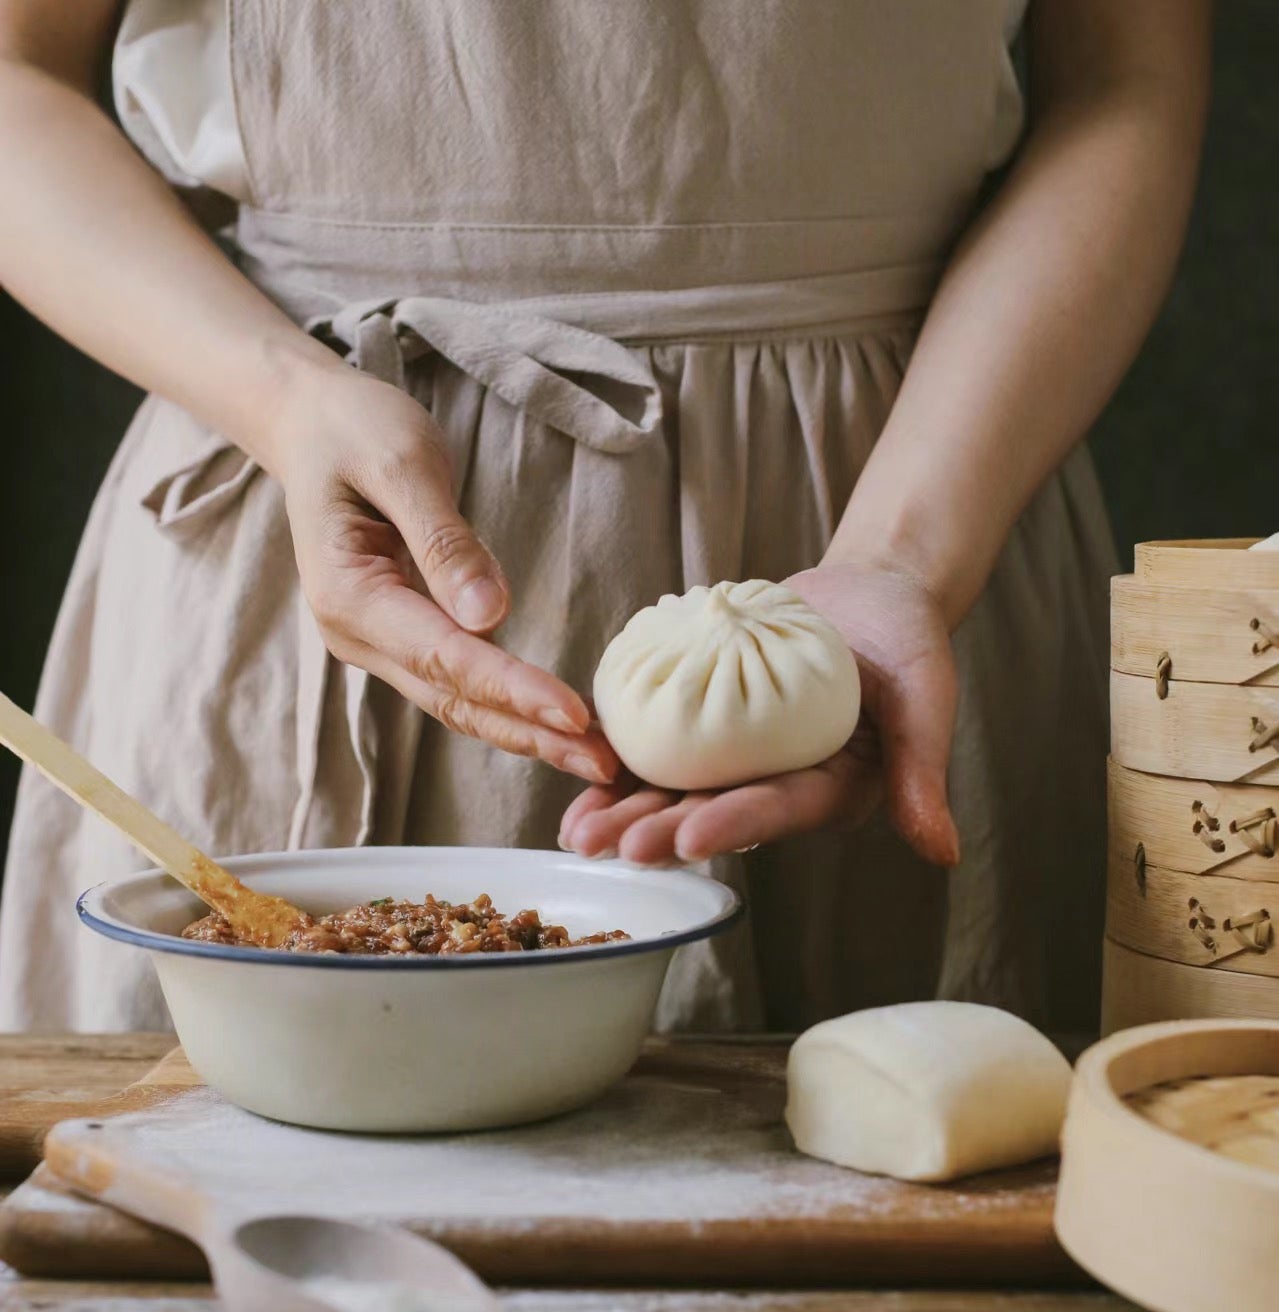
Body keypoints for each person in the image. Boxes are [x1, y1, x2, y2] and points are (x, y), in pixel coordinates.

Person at [0, 1, 1210, 1035]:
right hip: (303, 509)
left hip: (932, 488)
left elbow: (1123, 82)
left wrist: (904, 559)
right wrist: (285, 399)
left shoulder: (918, 545)